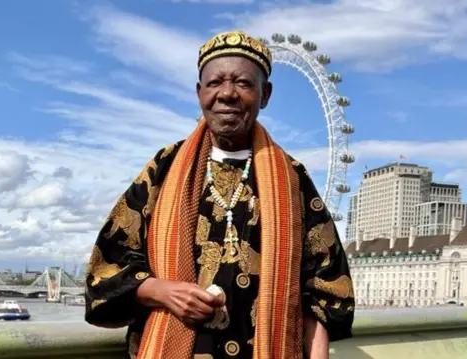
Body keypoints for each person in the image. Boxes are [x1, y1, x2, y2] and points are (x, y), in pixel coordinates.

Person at [84, 30, 355, 359]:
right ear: (200, 93)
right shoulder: (164, 168)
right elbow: (107, 265)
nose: (227, 94)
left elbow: (325, 288)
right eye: (215, 83)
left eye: (243, 83)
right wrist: (161, 291)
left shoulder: (294, 179)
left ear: (264, 94)